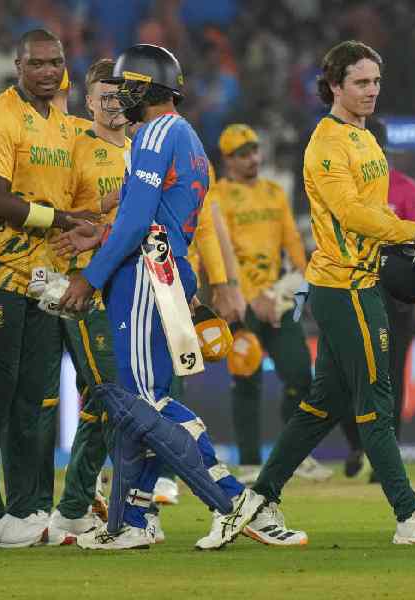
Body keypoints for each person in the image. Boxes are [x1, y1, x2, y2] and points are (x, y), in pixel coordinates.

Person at [244, 40, 415, 547]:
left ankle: (259, 501)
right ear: (335, 85)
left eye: (376, 82)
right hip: (345, 286)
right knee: (376, 402)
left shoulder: (365, 139)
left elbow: (375, 212)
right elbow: (352, 214)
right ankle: (409, 516)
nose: (371, 91)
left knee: (323, 405)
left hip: (360, 281)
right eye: (360, 82)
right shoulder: (326, 143)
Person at [58, 44, 267, 551]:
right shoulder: (187, 137)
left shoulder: (151, 135)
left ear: (146, 90)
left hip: (145, 278)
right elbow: (154, 217)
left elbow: (138, 222)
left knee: (143, 402)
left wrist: (91, 275)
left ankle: (235, 498)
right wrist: (103, 235)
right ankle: (134, 520)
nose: (120, 96)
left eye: (127, 86)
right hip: (168, 274)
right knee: (140, 403)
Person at [0, 29, 86, 547]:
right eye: (36, 63)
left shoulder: (64, 126)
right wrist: (60, 219)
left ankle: (27, 508)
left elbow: (79, 203)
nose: (46, 71)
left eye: (54, 62)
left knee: (37, 399)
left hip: (46, 280)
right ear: (17, 64)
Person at [213, 123, 331, 483]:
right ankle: (249, 463)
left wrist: (290, 286)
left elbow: (293, 244)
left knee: (300, 375)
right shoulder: (216, 197)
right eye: (242, 154)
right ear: (228, 159)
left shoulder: (274, 193)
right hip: (240, 303)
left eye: (254, 151)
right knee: (246, 379)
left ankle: (297, 455)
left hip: (279, 300)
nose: (252, 158)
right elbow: (220, 253)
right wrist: (250, 298)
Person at [41, 58, 129, 545]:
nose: (114, 103)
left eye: (120, 95)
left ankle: (93, 498)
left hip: (130, 286)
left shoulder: (141, 148)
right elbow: (53, 204)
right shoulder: (74, 145)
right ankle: (71, 508)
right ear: (89, 100)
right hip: (78, 284)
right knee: (107, 391)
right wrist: (104, 207)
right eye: (105, 95)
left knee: (108, 393)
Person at [341, 118, 415, 481]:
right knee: (349, 376)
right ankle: (357, 443)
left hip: (396, 296)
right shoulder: (346, 189)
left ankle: (385, 459)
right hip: (354, 288)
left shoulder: (405, 189)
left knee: (392, 376)